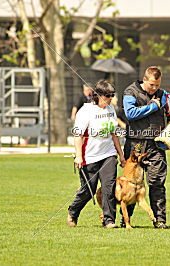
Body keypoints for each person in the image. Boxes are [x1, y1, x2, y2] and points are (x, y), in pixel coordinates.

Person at [122, 66, 170, 229]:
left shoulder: (164, 95)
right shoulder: (130, 92)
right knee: (130, 184)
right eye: (152, 85)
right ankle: (125, 219)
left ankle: (159, 220)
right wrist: (154, 106)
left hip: (156, 144)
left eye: (157, 85)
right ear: (145, 79)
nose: (155, 88)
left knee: (157, 182)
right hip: (136, 144)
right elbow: (130, 113)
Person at [67, 80, 126, 228]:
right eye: (108, 96)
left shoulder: (111, 109)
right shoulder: (86, 111)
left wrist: (121, 155)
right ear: (98, 95)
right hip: (89, 156)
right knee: (88, 190)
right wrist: (79, 156)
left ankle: (109, 220)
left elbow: (114, 134)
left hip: (108, 154)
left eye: (112, 95)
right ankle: (73, 211)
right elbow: (78, 135)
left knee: (109, 188)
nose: (111, 98)